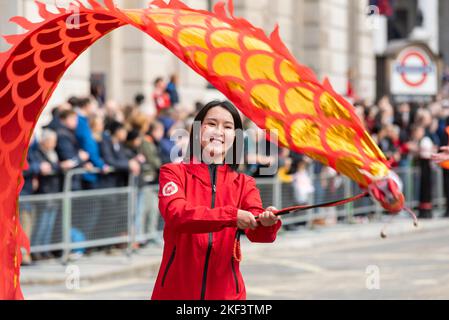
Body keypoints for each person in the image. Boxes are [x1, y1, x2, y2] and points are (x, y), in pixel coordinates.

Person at [151, 100, 282, 300]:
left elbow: (258, 233)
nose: (219, 131)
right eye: (211, 123)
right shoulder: (173, 172)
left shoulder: (245, 183)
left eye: (228, 126)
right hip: (176, 293)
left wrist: (267, 222)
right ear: (197, 130)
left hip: (228, 295)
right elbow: (177, 214)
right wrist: (232, 215)